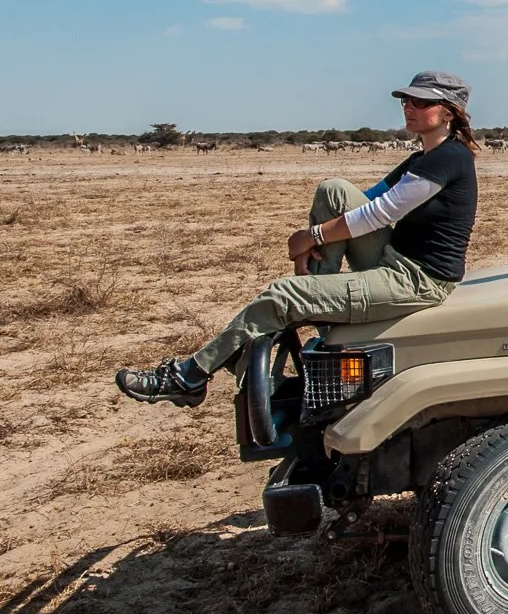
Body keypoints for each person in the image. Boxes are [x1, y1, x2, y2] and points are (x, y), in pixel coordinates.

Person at [114, 72, 479, 406]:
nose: (408, 108)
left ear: (448, 112)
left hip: (416, 280)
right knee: (333, 190)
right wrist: (316, 241)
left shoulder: (449, 158)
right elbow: (362, 200)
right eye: (405, 101)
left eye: (420, 102)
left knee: (282, 294)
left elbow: (381, 213)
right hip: (393, 258)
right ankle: (321, 309)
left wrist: (311, 236)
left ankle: (191, 377)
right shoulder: (422, 157)